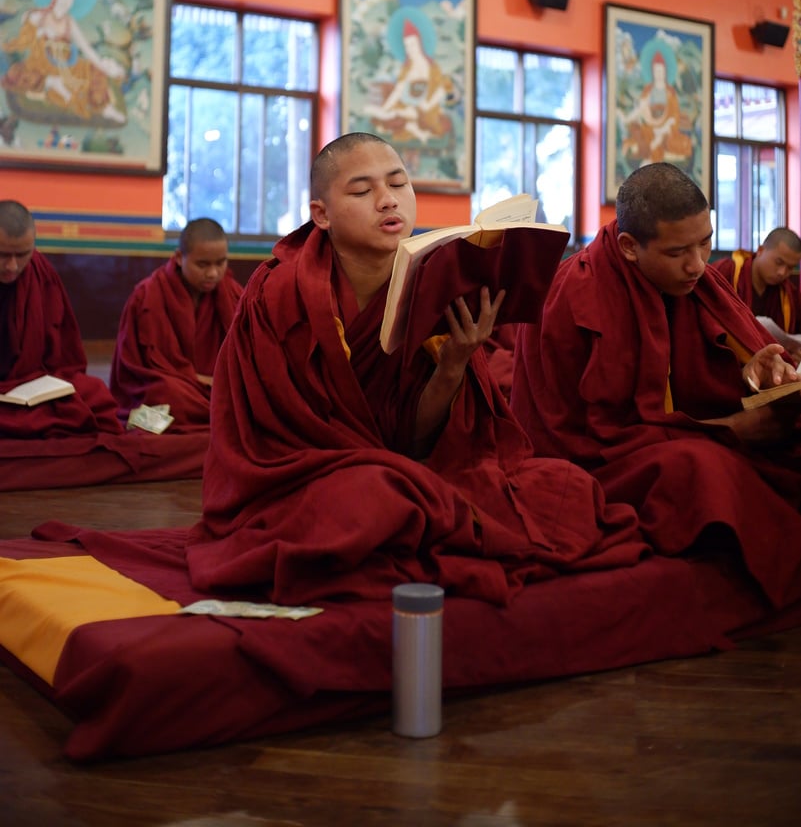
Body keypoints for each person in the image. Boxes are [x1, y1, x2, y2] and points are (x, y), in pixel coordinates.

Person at [187, 133, 646, 605]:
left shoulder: (432, 278)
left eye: (399, 184)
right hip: (308, 479)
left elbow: (414, 441)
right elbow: (270, 444)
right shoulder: (279, 296)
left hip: (400, 472)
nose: (387, 200)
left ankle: (414, 511)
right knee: (379, 497)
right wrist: (381, 468)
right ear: (321, 214)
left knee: (564, 488)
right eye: (362, 191)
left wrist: (454, 363)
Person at [510, 162, 801, 609]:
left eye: (705, 243)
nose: (698, 265)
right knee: (700, 468)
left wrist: (751, 372)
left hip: (678, 431)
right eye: (677, 252)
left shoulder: (698, 280)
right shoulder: (577, 295)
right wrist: (732, 429)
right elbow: (592, 435)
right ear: (629, 247)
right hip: (599, 460)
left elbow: (704, 376)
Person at [0, 199, 124, 441]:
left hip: (28, 387)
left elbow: (65, 356)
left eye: (22, 254)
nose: (12, 266)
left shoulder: (41, 273)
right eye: (3, 255)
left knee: (94, 394)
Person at [110, 218, 244, 431]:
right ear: (180, 257)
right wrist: (201, 381)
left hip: (217, 386)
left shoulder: (232, 293)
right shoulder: (147, 296)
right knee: (166, 395)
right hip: (176, 389)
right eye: (203, 264)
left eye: (220, 263)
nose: (213, 273)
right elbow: (135, 368)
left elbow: (245, 354)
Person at [711, 228, 801, 361]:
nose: (782, 272)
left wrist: (794, 353)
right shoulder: (724, 274)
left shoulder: (788, 294)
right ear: (760, 250)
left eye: (790, 268)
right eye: (778, 262)